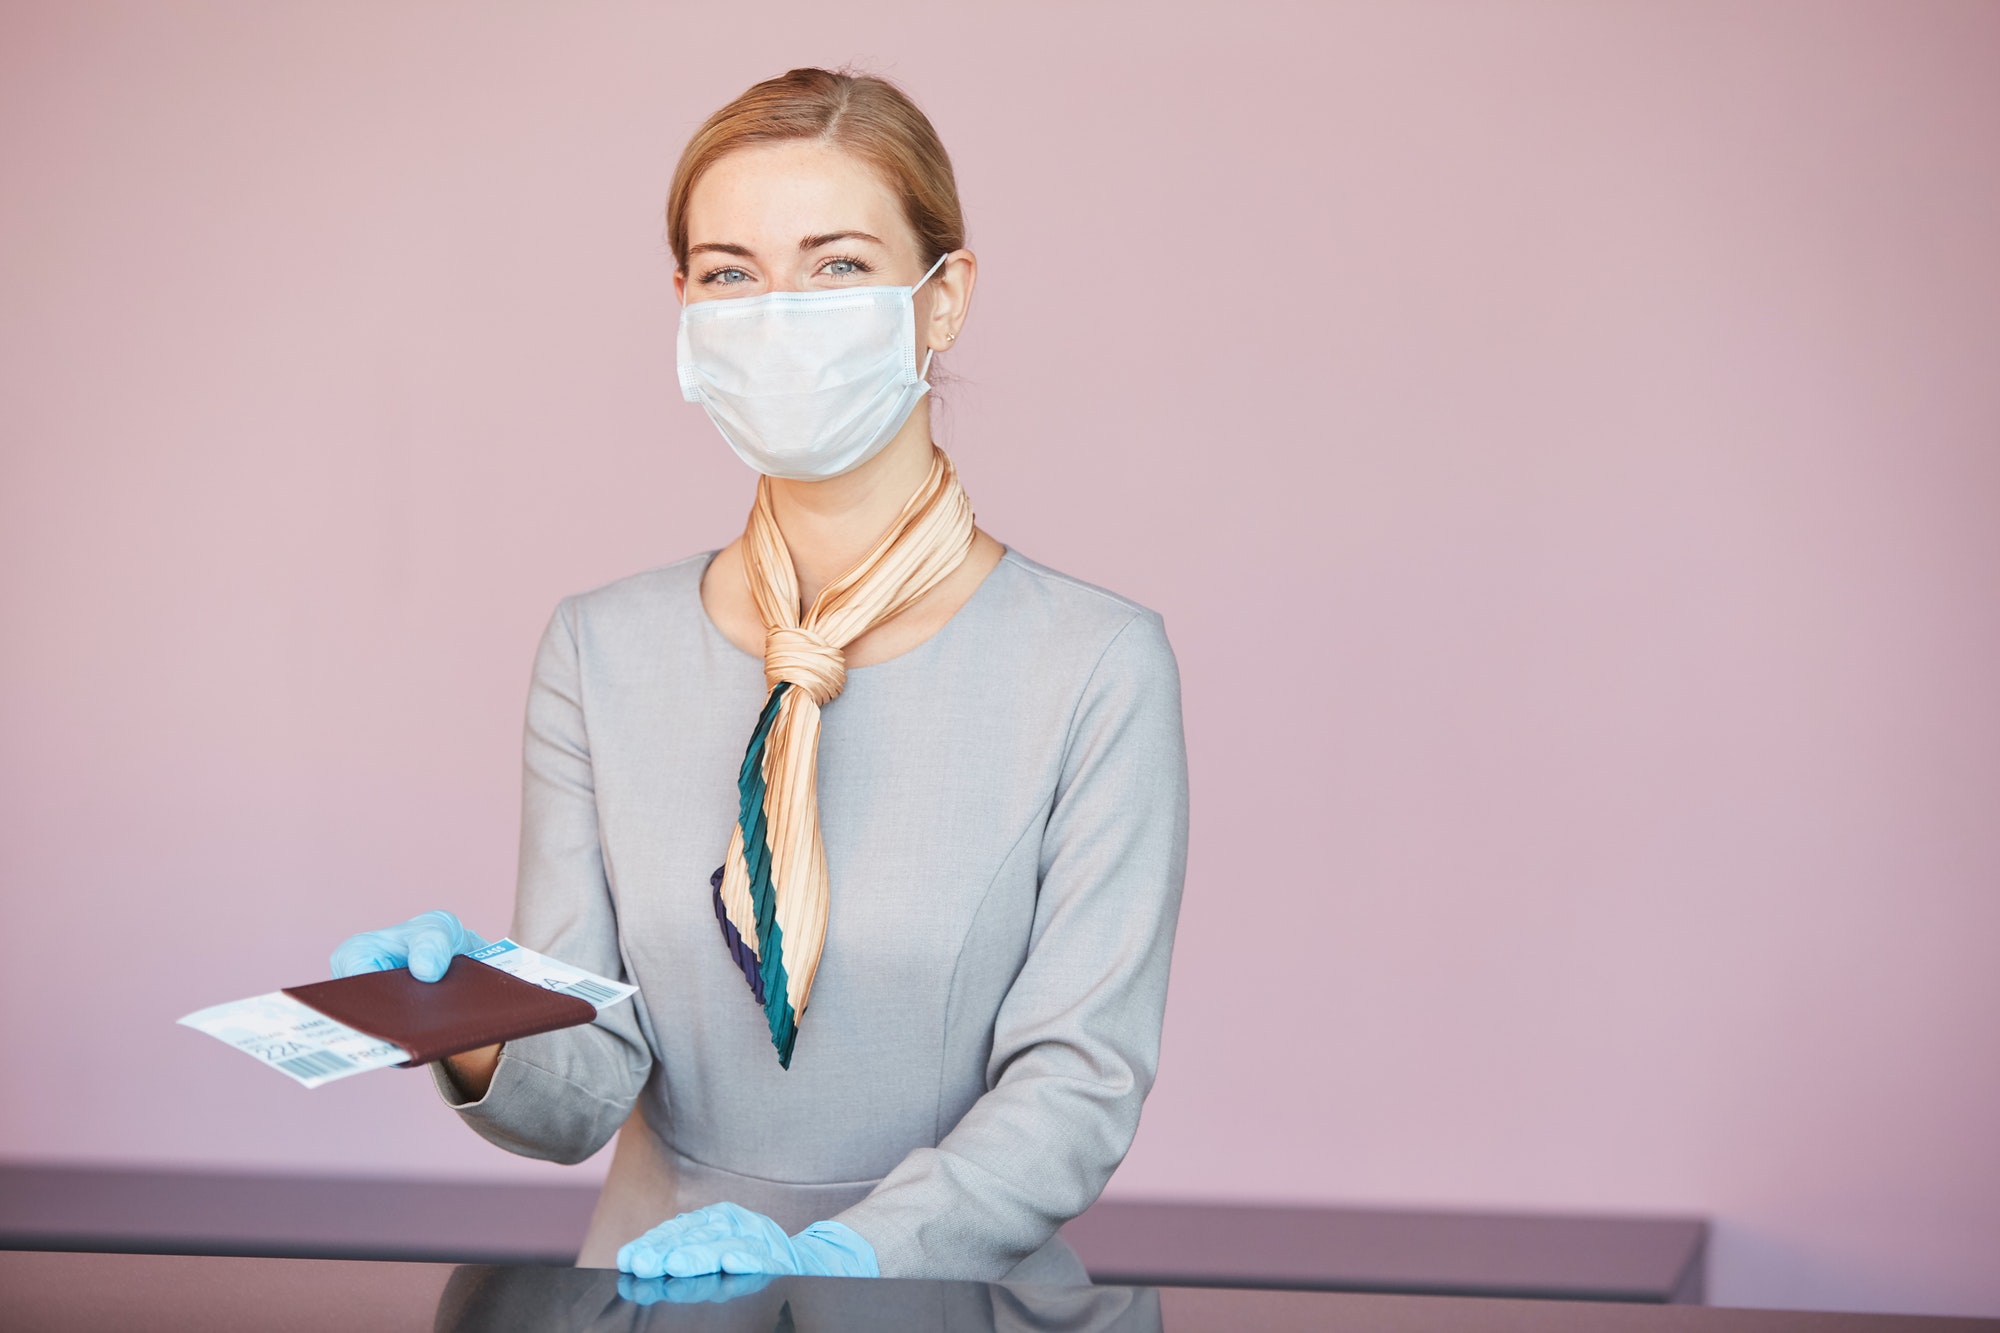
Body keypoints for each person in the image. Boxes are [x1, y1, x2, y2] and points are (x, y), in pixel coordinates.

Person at [330, 67, 1188, 1287]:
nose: (776, 311)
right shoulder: (598, 647)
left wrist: (841, 1256)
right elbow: (584, 1088)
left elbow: (1078, 1083)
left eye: (835, 265)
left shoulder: (1096, 665)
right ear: (682, 307)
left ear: (943, 301)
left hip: (944, 1306)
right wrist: (465, 1030)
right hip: (647, 1296)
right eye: (730, 273)